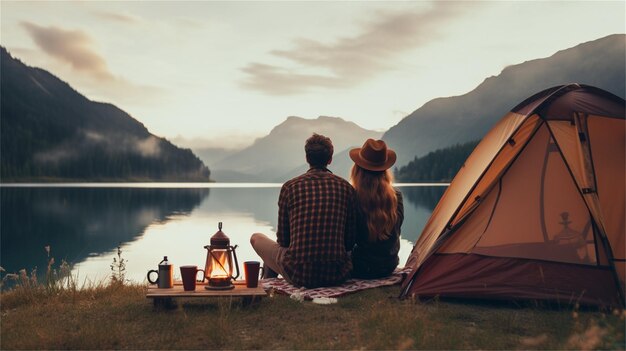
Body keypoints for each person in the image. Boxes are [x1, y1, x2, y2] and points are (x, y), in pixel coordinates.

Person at [250, 133, 356, 288]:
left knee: (256, 237)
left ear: (307, 158)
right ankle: (267, 282)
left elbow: (283, 241)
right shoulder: (346, 188)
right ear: (330, 159)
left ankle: (267, 283)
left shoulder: (290, 187)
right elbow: (349, 242)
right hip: (337, 273)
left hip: (299, 274)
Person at [349, 139, 404, 279]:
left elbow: (349, 239)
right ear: (385, 171)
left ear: (357, 170)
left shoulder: (352, 197)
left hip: (360, 267)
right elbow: (398, 229)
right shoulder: (396, 196)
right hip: (389, 266)